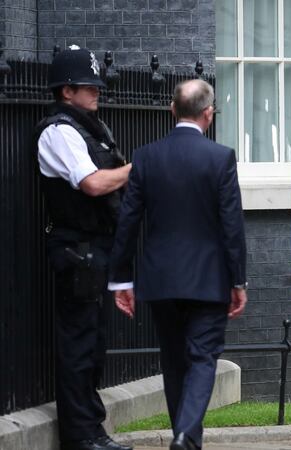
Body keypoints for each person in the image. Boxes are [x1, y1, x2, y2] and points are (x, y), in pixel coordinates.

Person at [108, 79, 248, 450]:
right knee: (203, 358)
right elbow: (232, 225)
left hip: (161, 278)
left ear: (173, 110)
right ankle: (185, 435)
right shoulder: (220, 157)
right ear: (209, 114)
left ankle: (184, 438)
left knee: (173, 361)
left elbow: (128, 220)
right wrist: (238, 281)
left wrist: (121, 279)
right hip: (208, 278)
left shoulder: (147, 156)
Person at [34, 45, 133, 450]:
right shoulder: (59, 132)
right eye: (88, 86)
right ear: (66, 91)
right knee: (78, 344)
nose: (96, 92)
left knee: (93, 343)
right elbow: (91, 183)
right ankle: (80, 436)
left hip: (95, 248)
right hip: (77, 249)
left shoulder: (89, 128)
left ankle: (93, 430)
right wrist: (136, 169)